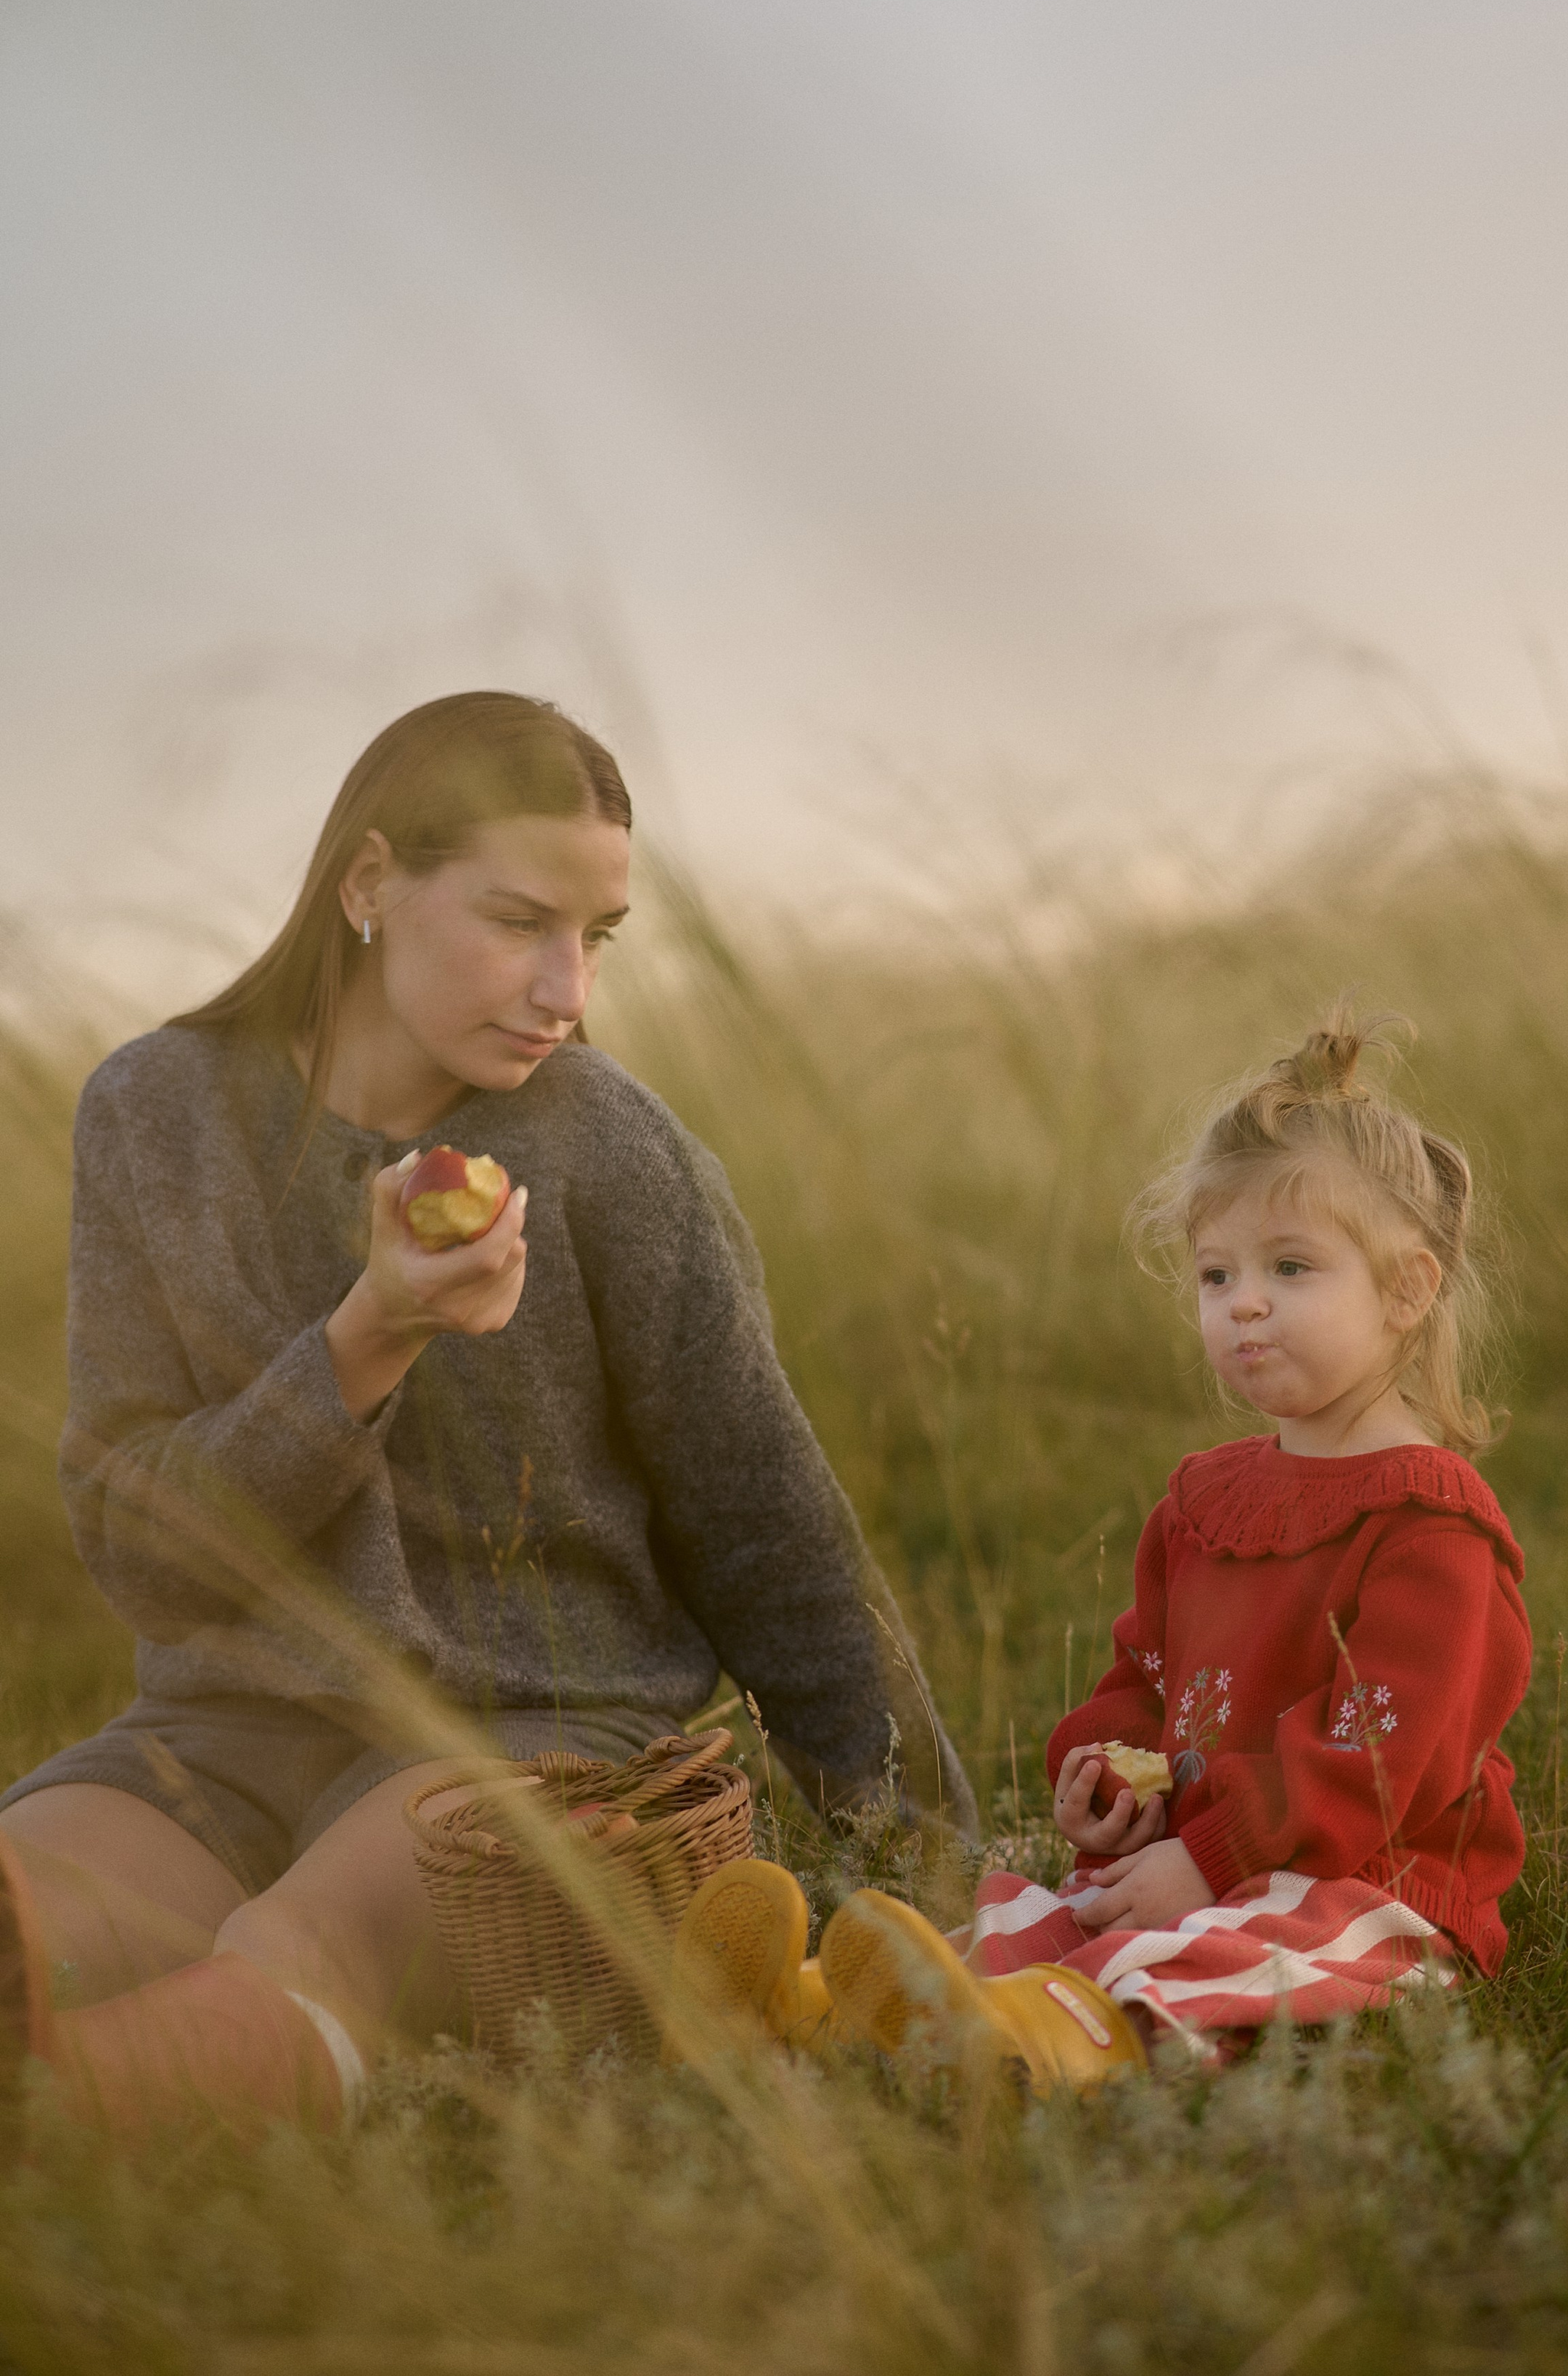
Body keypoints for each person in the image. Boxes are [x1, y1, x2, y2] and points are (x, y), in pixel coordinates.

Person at [0, 691, 968, 2138]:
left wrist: (938, 1870)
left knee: (290, 1956)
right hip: (219, 1740)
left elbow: (769, 1535)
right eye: (520, 920)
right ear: (371, 882)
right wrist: (365, 1337)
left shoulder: (610, 1151)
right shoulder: (155, 1116)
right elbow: (141, 1549)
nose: (567, 987)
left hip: (536, 1742)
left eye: (598, 937)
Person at [674, 1007, 1528, 2080]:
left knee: (1203, 1955)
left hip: (1365, 1886)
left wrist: (1210, 1857)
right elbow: (1147, 1674)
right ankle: (806, 2002)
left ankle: (1028, 2045)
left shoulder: (1429, 1525)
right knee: (1028, 1907)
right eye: (1217, 1276)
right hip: (1198, 1857)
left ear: (1407, 1287)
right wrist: (1117, 1780)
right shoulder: (1205, 1499)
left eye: (1292, 1268)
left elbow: (1390, 1761)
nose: (1245, 1304)